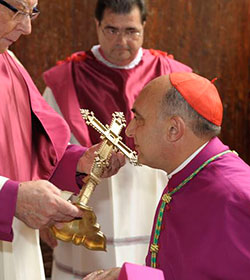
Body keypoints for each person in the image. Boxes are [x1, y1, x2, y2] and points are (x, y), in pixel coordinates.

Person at [42, 0, 192, 278]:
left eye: (131, 31)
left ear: (144, 27)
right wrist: (46, 212)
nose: (122, 41)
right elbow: (44, 151)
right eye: (111, 30)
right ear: (97, 26)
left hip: (152, 204)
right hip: (89, 208)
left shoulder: (172, 76)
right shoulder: (67, 79)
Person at [83, 72, 250, 280]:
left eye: (139, 119)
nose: (130, 130)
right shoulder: (188, 174)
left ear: (173, 129)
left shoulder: (235, 195)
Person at [0, 1, 124, 280]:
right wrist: (10, 197)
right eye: (17, 10)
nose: (27, 28)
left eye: (32, 12)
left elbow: (31, 145)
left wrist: (78, 163)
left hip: (16, 242)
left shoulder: (8, 61)